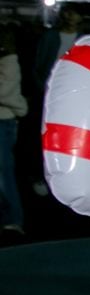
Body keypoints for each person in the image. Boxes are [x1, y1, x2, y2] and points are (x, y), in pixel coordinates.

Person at [0, 22, 28, 244]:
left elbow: (5, 91)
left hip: (4, 121)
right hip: (6, 118)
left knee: (4, 173)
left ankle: (12, 220)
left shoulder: (9, 60)